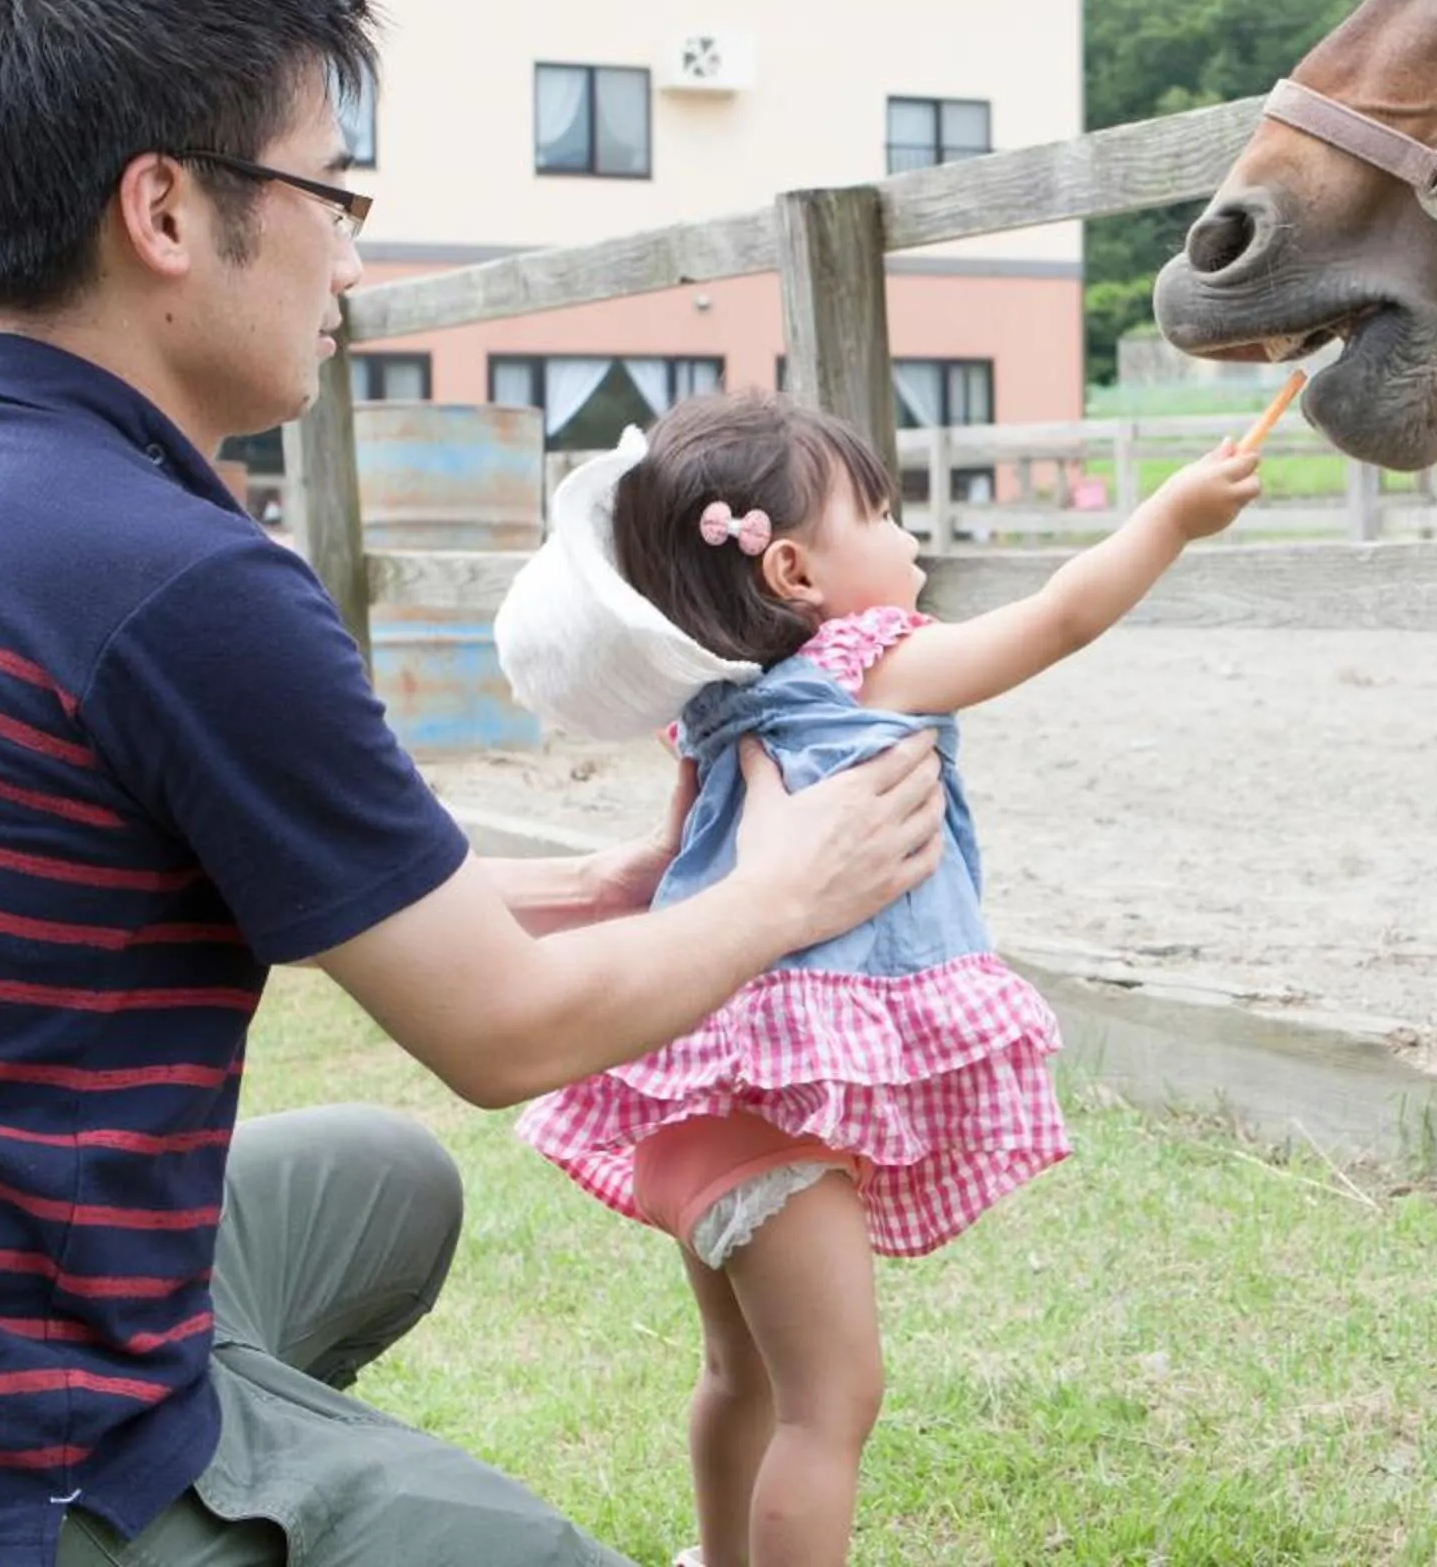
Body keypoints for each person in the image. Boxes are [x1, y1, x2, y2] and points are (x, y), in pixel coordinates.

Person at [0, 0, 945, 1567]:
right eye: (332, 194)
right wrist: (784, 892)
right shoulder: (175, 576)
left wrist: (595, 884)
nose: (353, 259)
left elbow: (150, 883)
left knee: (384, 1184)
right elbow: (507, 1038)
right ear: (165, 208)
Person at [497, 389, 1259, 1567]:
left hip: (696, 1095)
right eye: (886, 513)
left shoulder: (716, 705)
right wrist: (1169, 516)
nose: (911, 539)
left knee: (740, 1373)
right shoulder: (871, 664)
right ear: (797, 571)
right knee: (832, 1401)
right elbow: (1057, 618)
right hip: (778, 1112)